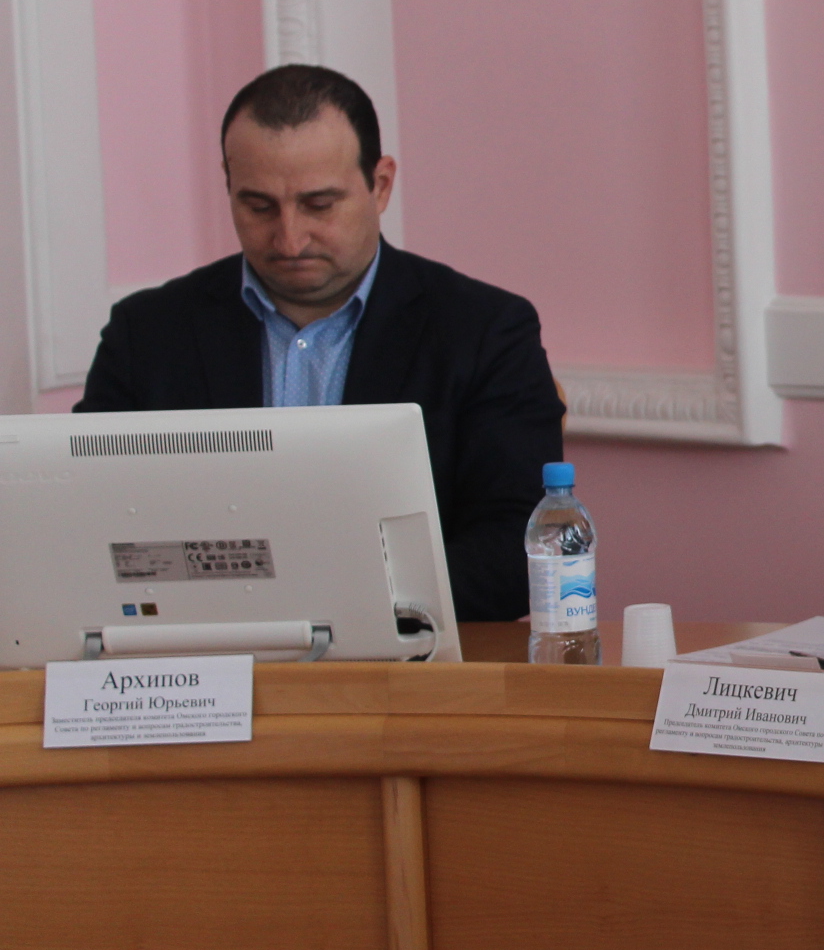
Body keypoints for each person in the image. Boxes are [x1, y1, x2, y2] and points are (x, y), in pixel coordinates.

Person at [77, 65, 563, 622]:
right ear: (229, 186)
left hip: (402, 650)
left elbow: (520, 550)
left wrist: (320, 592)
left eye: (319, 204)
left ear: (380, 185)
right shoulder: (146, 332)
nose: (289, 239)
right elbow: (87, 519)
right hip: (199, 646)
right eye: (258, 206)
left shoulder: (485, 330)